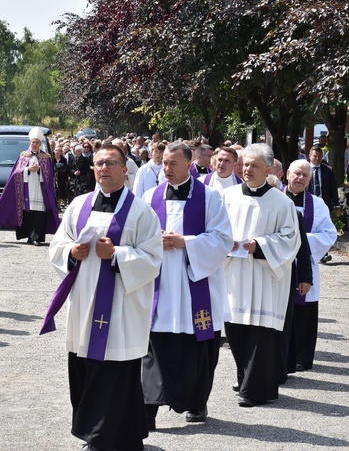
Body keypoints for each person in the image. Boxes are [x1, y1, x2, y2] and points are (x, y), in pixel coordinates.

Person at [43, 144, 162, 451]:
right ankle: (112, 434)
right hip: (84, 306)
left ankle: (101, 438)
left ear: (125, 169)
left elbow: (152, 259)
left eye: (111, 163)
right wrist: (71, 252)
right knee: (85, 370)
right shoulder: (78, 205)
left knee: (114, 374)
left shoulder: (141, 211)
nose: (104, 169)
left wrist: (116, 255)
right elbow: (57, 245)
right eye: (99, 164)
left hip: (121, 309)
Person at [140, 142, 233, 425]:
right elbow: (135, 236)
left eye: (173, 163)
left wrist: (185, 243)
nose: (166, 168)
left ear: (190, 163)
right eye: (164, 163)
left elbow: (222, 239)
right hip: (160, 286)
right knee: (154, 348)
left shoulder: (210, 198)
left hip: (196, 285)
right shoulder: (148, 197)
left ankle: (196, 402)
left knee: (198, 348)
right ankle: (147, 410)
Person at [221, 143, 300, 407]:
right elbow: (216, 230)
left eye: (254, 166)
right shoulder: (228, 196)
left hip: (266, 276)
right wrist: (224, 243)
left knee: (261, 333)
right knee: (236, 330)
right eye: (245, 165)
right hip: (235, 273)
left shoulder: (281, 201)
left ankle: (255, 390)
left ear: (268, 169)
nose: (248, 169)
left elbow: (291, 238)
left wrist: (260, 245)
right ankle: (245, 379)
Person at [285, 160, 337, 372]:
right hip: (276, 265)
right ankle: (281, 356)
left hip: (303, 266)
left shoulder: (317, 204)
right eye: (297, 173)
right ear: (287, 174)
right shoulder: (274, 198)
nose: (300, 178)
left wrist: (300, 241)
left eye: (305, 176)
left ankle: (302, 357)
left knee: (304, 313)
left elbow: (329, 234)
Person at [0, 127, 59, 246]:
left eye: (37, 143)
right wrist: (27, 169)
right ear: (30, 143)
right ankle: (29, 236)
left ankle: (36, 237)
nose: (35, 144)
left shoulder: (45, 157)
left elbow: (49, 176)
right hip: (26, 190)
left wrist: (39, 171)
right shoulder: (24, 155)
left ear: (40, 144)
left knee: (38, 214)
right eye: (33, 142)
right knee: (28, 212)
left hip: (40, 190)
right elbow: (16, 173)